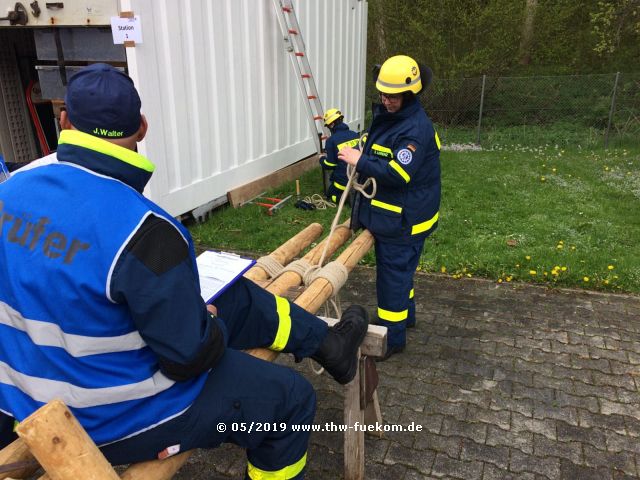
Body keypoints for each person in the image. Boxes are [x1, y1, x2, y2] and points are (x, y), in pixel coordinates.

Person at [0, 63, 369, 479]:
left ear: (64, 120)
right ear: (141, 127)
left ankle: (328, 346)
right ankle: (321, 353)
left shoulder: (8, 191)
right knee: (291, 401)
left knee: (234, 295)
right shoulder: (146, 232)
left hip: (21, 391)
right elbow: (188, 357)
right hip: (109, 416)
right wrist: (210, 328)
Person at [339, 55, 441, 361]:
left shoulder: (414, 129)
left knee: (393, 278)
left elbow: (398, 173)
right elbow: (380, 147)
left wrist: (361, 161)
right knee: (402, 275)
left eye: (392, 96)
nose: (385, 100)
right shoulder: (393, 117)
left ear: (410, 94)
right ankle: (405, 317)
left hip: (403, 222)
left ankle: (391, 338)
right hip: (397, 216)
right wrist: (363, 148)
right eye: (382, 93)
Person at [318, 108, 359, 204]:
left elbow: (330, 165)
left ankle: (348, 199)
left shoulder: (331, 140)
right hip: (358, 179)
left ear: (332, 124)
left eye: (328, 126)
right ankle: (355, 194)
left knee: (330, 195)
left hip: (343, 182)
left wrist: (321, 159)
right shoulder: (355, 134)